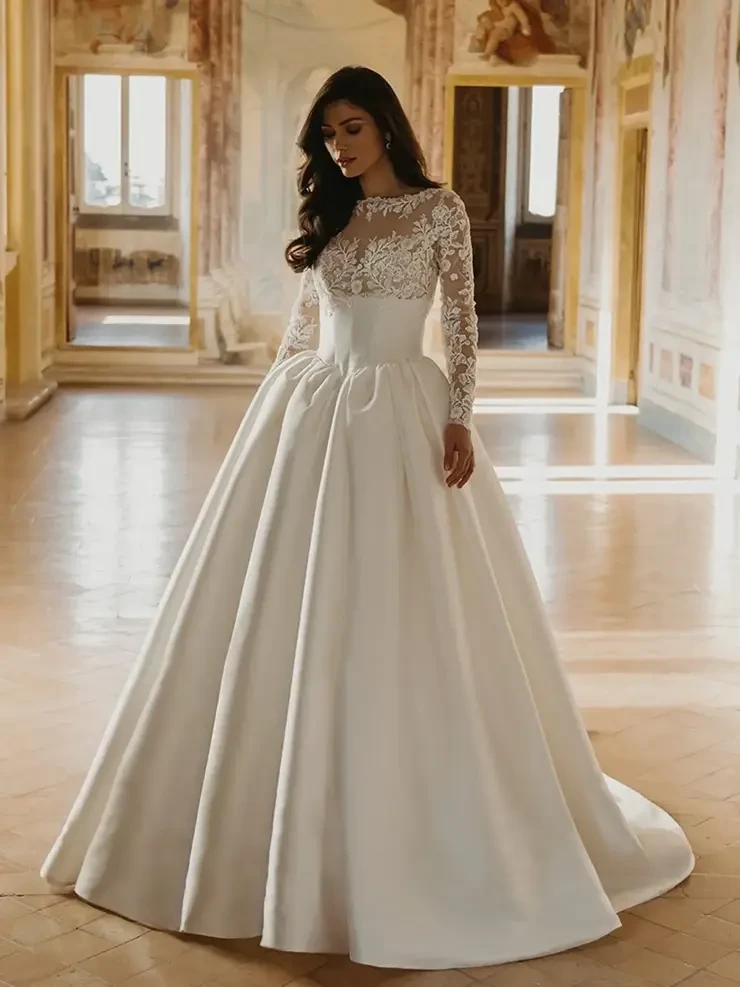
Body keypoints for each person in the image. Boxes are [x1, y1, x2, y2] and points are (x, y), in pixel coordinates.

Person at [41, 66, 693, 971]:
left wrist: (461, 413)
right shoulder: (333, 217)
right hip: (312, 411)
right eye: (329, 137)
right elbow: (307, 328)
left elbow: (461, 319)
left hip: (403, 410)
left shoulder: (439, 210)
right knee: (283, 604)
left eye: (353, 129)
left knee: (407, 602)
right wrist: (276, 405)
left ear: (385, 125)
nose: (340, 148)